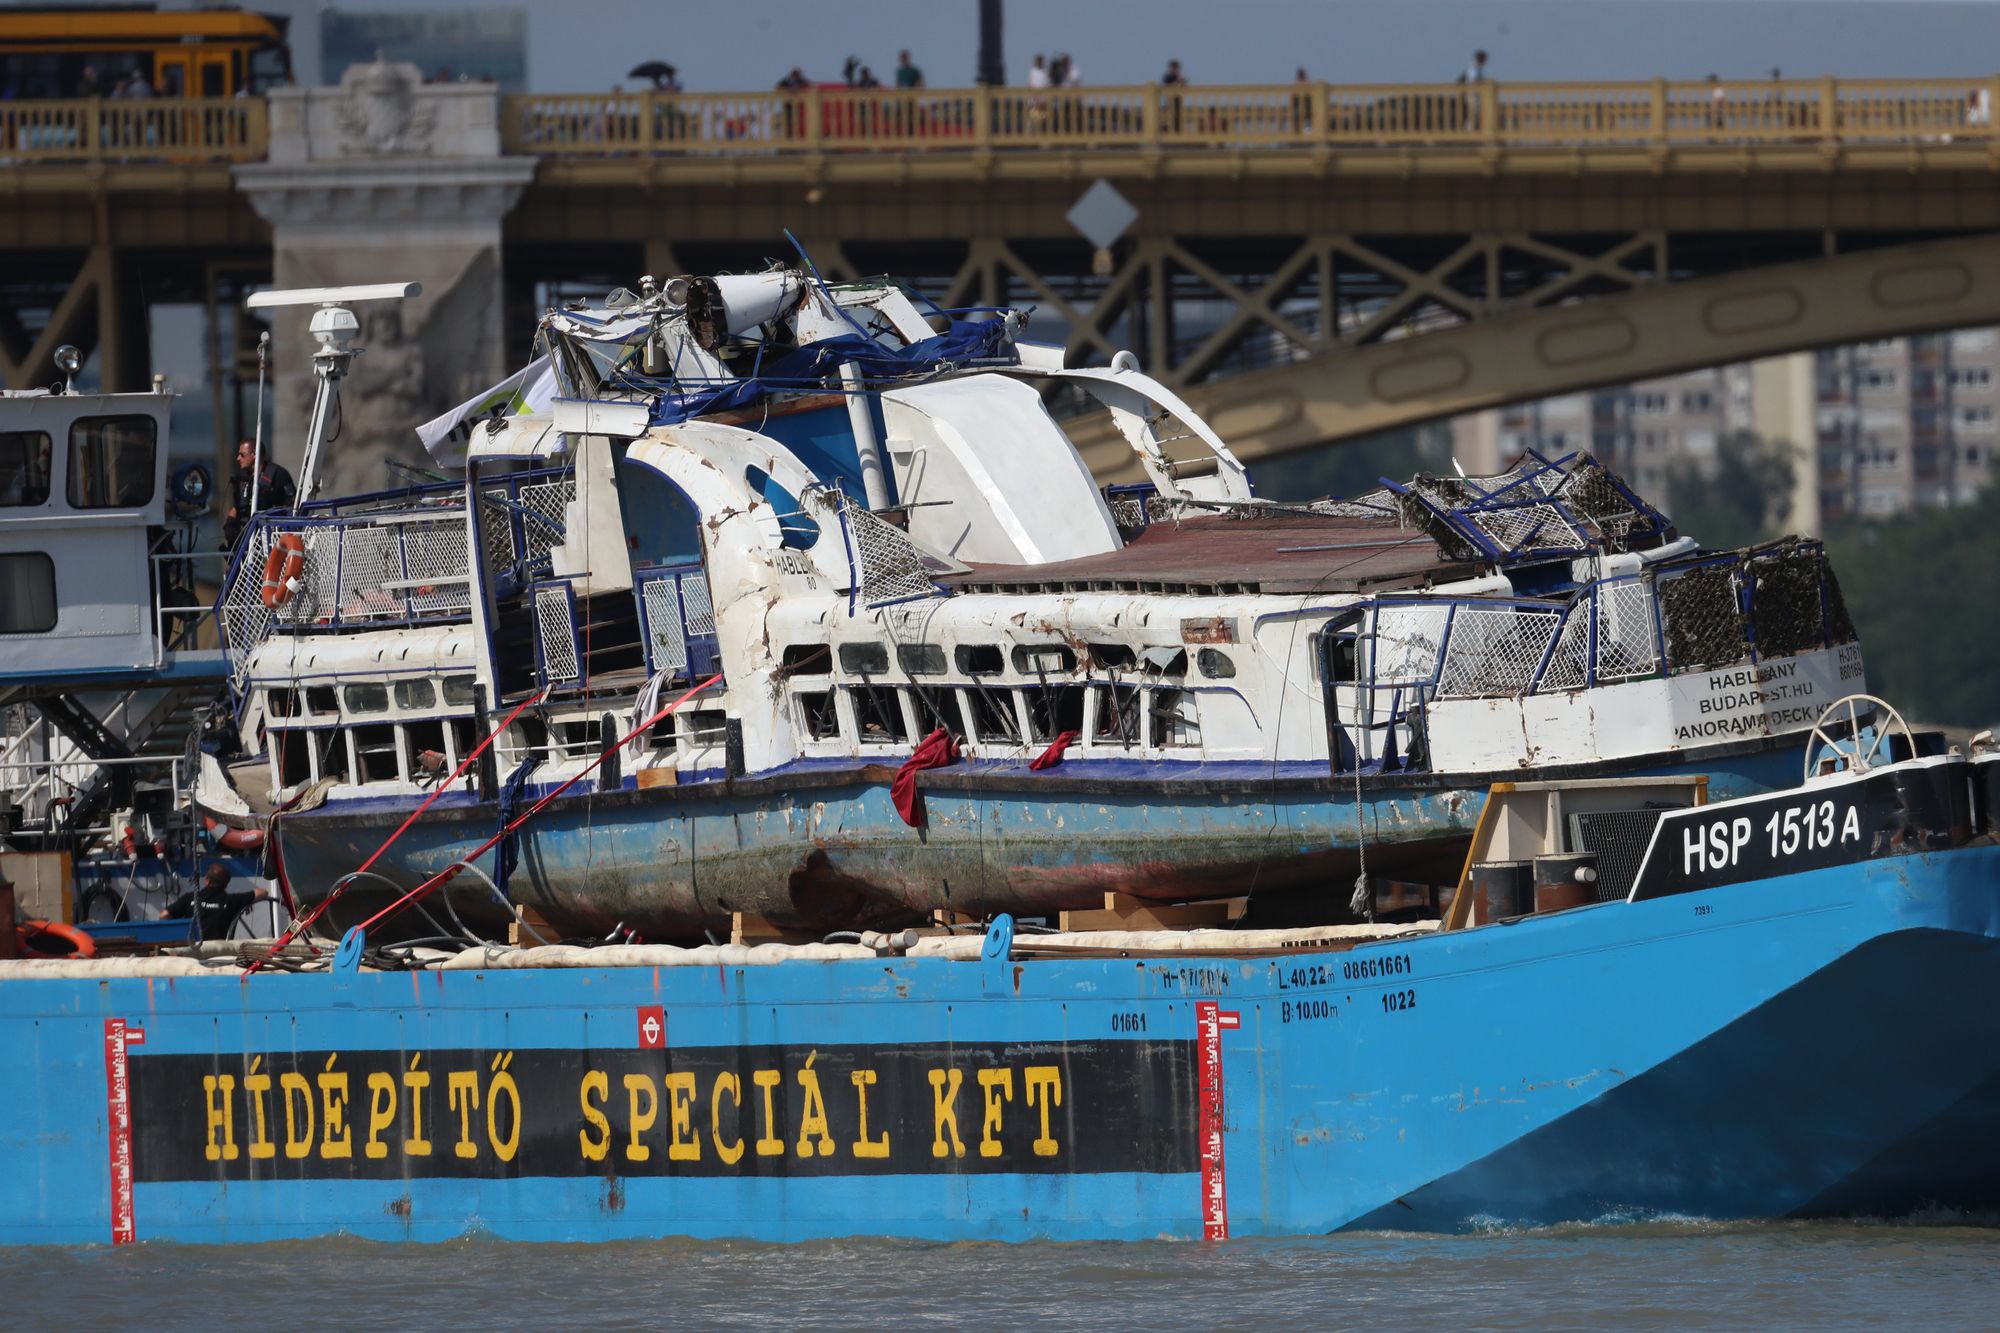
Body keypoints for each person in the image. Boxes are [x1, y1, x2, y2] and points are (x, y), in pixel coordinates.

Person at [223, 437, 296, 549]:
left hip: (268, 542)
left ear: (254, 454)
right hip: (244, 543)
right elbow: (236, 507)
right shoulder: (242, 479)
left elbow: (292, 506)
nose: (238, 458)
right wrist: (229, 524)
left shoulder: (278, 475)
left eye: (242, 455)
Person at [166, 864, 268, 942]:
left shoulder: (189, 898)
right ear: (226, 883)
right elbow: (263, 893)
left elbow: (164, 915)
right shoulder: (233, 901)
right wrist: (248, 903)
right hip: (218, 950)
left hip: (192, 947)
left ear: (207, 880)